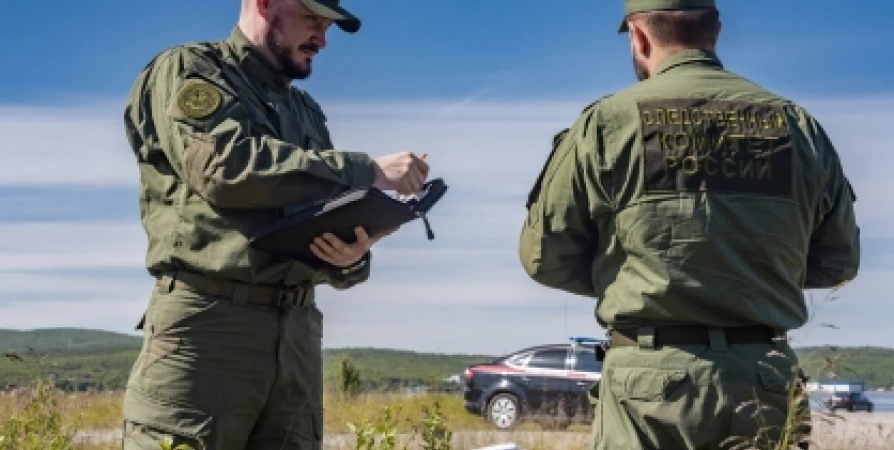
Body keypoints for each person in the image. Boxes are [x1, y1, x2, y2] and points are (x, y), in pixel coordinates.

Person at [518, 0, 860, 448]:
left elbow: (544, 256)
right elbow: (839, 260)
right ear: (715, 31)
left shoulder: (606, 124)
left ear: (639, 36)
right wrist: (749, 278)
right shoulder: (797, 126)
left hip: (648, 390)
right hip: (764, 381)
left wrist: (641, 278)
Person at [121, 0, 429, 448]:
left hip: (298, 336)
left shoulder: (306, 112)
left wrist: (350, 256)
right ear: (264, 4)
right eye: (312, 21)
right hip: (208, 333)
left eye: (328, 27)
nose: (322, 40)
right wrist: (367, 171)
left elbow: (317, 209)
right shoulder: (192, 69)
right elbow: (224, 168)